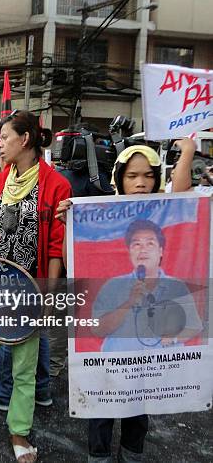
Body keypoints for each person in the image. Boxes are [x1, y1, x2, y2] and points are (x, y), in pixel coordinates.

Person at [55, 143, 196, 463]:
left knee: (138, 411)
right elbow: (72, 265)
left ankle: (132, 454)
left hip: (148, 361)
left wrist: (187, 151)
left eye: (148, 175)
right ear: (119, 178)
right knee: (101, 411)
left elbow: (186, 195)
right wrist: (69, 227)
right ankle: (99, 455)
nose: (141, 183)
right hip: (109, 362)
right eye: (132, 175)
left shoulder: (164, 210)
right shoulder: (97, 213)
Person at [0, 111, 70, 462]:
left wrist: (48, 294)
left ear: (25, 140)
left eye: (4, 138)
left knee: (24, 368)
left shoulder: (56, 186)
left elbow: (55, 246)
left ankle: (19, 433)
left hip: (31, 290)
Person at [91, 219, 202, 352]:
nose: (143, 249)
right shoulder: (113, 286)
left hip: (165, 368)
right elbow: (97, 330)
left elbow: (194, 326)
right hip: (122, 368)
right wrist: (128, 303)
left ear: (160, 251)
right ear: (129, 251)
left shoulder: (177, 287)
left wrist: (174, 339)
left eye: (150, 243)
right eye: (136, 244)